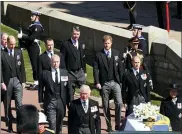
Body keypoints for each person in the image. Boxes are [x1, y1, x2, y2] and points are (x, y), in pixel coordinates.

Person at [93, 35, 123, 131]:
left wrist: (121, 82)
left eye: (108, 43)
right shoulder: (98, 55)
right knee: (105, 106)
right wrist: (97, 82)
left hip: (115, 82)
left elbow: (120, 69)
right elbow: (95, 69)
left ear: (111, 43)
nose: (107, 45)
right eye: (105, 43)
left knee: (119, 102)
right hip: (104, 83)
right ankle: (109, 126)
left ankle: (117, 124)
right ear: (103, 43)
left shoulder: (116, 53)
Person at [39, 54, 71, 134]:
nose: (55, 64)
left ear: (59, 62)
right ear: (50, 62)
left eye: (57, 62)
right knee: (52, 123)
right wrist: (41, 100)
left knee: (60, 123)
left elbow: (69, 88)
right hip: (50, 101)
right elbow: (40, 88)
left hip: (61, 101)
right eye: (54, 62)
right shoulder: (45, 73)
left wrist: (70, 100)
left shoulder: (65, 72)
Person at [1, 35, 26, 132]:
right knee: (7, 105)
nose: (12, 46)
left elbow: (22, 67)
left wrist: (23, 81)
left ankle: (19, 128)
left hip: (17, 81)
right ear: (6, 43)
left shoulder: (18, 52)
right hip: (7, 82)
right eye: (11, 44)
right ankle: (9, 126)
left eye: (14, 44)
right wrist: (1, 82)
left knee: (19, 104)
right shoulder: (2, 54)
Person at [17, 10, 44, 89]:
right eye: (31, 15)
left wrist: (22, 36)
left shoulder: (37, 26)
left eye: (32, 16)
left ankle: (38, 82)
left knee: (35, 65)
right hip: (31, 47)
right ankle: (36, 81)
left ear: (37, 17)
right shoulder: (33, 25)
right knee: (33, 65)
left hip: (34, 47)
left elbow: (32, 38)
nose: (31, 17)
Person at [60, 26, 86, 100]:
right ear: (71, 33)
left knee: (84, 91)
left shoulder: (81, 44)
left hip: (80, 72)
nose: (76, 36)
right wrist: (64, 73)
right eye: (74, 34)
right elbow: (62, 60)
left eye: (77, 34)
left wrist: (85, 71)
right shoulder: (65, 44)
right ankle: (71, 109)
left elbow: (83, 58)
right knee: (70, 93)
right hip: (70, 73)